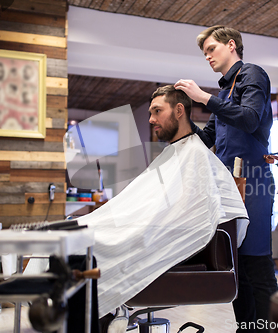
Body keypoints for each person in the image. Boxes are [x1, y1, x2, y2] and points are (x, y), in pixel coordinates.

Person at [75, 85, 249, 317]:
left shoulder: (196, 154)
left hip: (165, 239)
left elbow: (189, 215)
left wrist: (134, 226)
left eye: (157, 111)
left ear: (179, 110)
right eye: (150, 113)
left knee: (87, 242)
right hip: (150, 228)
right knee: (79, 234)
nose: (150, 119)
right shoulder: (174, 152)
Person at [175, 25, 278, 332]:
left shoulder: (252, 75)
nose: (207, 56)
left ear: (231, 45)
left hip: (254, 182)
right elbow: (207, 139)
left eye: (211, 49)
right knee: (236, 269)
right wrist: (179, 120)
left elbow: (248, 118)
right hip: (228, 187)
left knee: (257, 264)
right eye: (204, 53)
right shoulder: (222, 95)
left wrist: (203, 98)